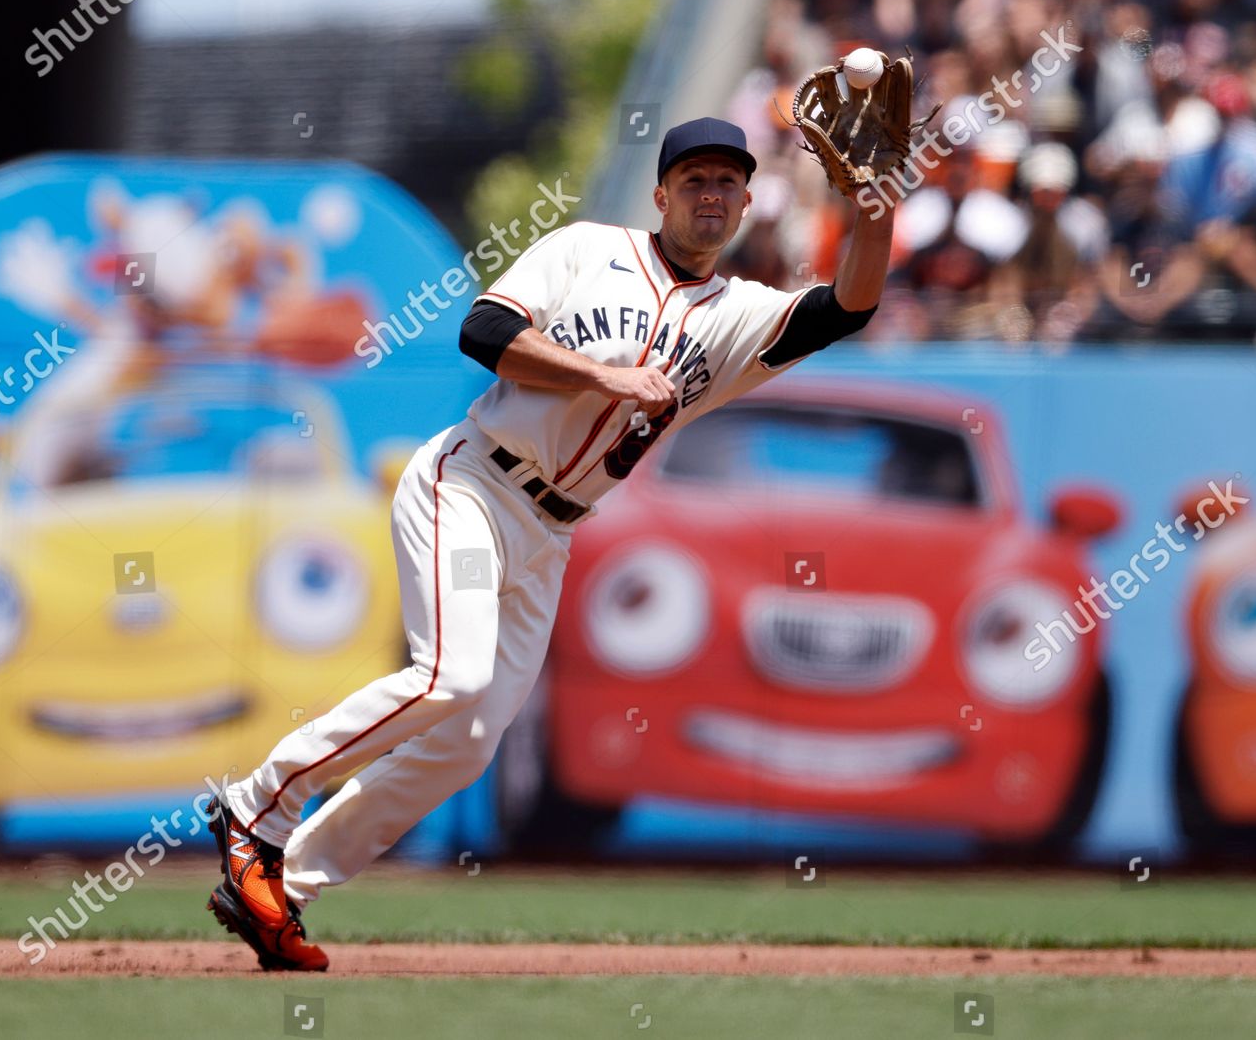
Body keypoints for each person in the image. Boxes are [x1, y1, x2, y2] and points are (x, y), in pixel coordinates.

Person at [203, 116, 898, 971]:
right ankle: (255, 805)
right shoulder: (586, 251)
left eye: (726, 181)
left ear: (748, 200)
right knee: (447, 677)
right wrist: (607, 375)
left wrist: (873, 208)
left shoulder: (736, 317)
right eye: (694, 180)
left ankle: (282, 885)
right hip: (474, 487)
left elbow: (849, 306)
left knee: (468, 740)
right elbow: (484, 331)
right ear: (661, 195)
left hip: (550, 535)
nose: (710, 194)